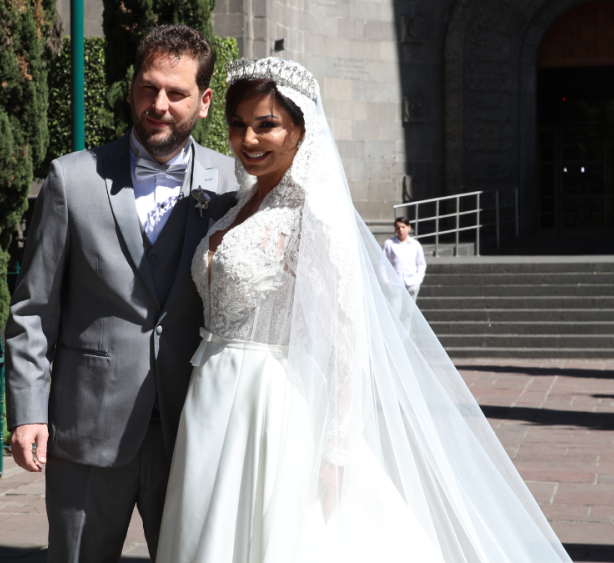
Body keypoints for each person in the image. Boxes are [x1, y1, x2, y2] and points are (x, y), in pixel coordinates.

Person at [156, 57, 571, 562]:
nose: (249, 139)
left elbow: (345, 334)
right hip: (212, 393)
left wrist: (336, 449)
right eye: (239, 124)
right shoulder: (236, 206)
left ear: (300, 128)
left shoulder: (312, 217)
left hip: (273, 401)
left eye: (267, 124)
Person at [3, 25, 239, 563]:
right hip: (86, 431)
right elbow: (32, 311)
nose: (159, 105)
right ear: (131, 89)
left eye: (176, 93)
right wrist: (27, 412)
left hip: (193, 434)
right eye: (147, 88)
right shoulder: (73, 179)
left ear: (203, 102)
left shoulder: (232, 185)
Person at [382, 217, 426, 300]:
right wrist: (386, 281)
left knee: (410, 311)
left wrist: (419, 279)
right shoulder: (389, 244)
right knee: (395, 309)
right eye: (398, 228)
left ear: (409, 228)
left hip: (412, 282)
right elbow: (383, 263)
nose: (400, 230)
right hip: (394, 283)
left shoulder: (415, 244)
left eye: (403, 227)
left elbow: (421, 263)